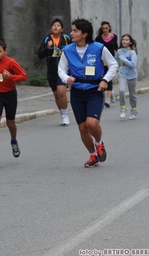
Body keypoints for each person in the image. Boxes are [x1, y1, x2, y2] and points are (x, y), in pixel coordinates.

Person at [58, 19, 118, 168]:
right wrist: (67, 78)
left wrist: (105, 80)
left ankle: (99, 143)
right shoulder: (68, 50)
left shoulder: (98, 48)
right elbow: (61, 69)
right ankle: (93, 155)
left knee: (92, 123)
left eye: (75, 31)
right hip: (77, 92)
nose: (71, 33)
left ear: (84, 34)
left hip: (94, 91)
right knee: (83, 128)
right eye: (72, 30)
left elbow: (113, 65)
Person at [0, 38, 28, 163]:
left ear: (5, 51)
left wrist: (11, 77)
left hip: (10, 95)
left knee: (10, 123)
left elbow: (24, 76)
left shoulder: (11, 62)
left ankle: (13, 141)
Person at [38, 18, 72, 125]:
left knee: (61, 91)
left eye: (58, 25)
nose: (55, 27)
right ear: (51, 28)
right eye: (54, 25)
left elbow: (74, 50)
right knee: (57, 95)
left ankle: (66, 115)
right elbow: (40, 55)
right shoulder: (47, 39)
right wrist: (48, 48)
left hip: (64, 70)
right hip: (52, 71)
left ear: (62, 29)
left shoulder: (66, 39)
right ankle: (62, 114)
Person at [95, 21, 119, 107]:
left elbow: (116, 49)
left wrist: (116, 63)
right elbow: (96, 50)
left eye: (106, 28)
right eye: (103, 28)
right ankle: (110, 94)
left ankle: (107, 100)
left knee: (109, 79)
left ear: (109, 28)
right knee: (103, 78)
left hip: (111, 61)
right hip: (102, 62)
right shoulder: (98, 38)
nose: (105, 30)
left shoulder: (114, 37)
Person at [115, 34, 138, 120]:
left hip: (132, 76)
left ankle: (133, 110)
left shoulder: (132, 52)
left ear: (130, 42)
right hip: (122, 74)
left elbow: (133, 64)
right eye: (123, 39)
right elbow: (115, 60)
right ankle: (122, 109)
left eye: (126, 40)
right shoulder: (119, 51)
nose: (124, 41)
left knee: (133, 94)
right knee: (121, 90)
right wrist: (116, 67)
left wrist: (123, 59)